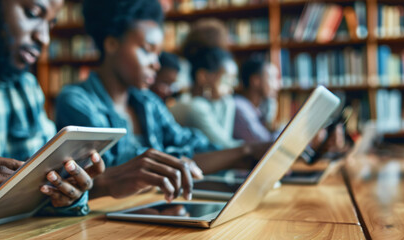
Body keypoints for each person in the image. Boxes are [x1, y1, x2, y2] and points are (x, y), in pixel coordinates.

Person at [56, 0, 273, 201]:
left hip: (151, 207)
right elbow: (107, 171)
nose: (156, 64)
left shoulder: (148, 103)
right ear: (111, 43)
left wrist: (249, 152)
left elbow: (193, 148)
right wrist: (177, 159)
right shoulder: (77, 101)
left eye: (158, 54)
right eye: (147, 50)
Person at [0, 0, 105, 237]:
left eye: (51, 23)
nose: (44, 38)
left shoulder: (25, 82)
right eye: (33, 13)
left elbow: (41, 188)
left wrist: (62, 193)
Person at [169, 46, 243, 149]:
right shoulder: (193, 106)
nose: (231, 90)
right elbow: (223, 145)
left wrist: (227, 103)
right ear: (202, 76)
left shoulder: (219, 102)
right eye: (226, 80)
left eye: (232, 82)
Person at [233, 57, 282, 143]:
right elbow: (264, 142)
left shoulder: (257, 108)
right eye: (272, 78)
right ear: (255, 80)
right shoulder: (239, 108)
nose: (278, 85)